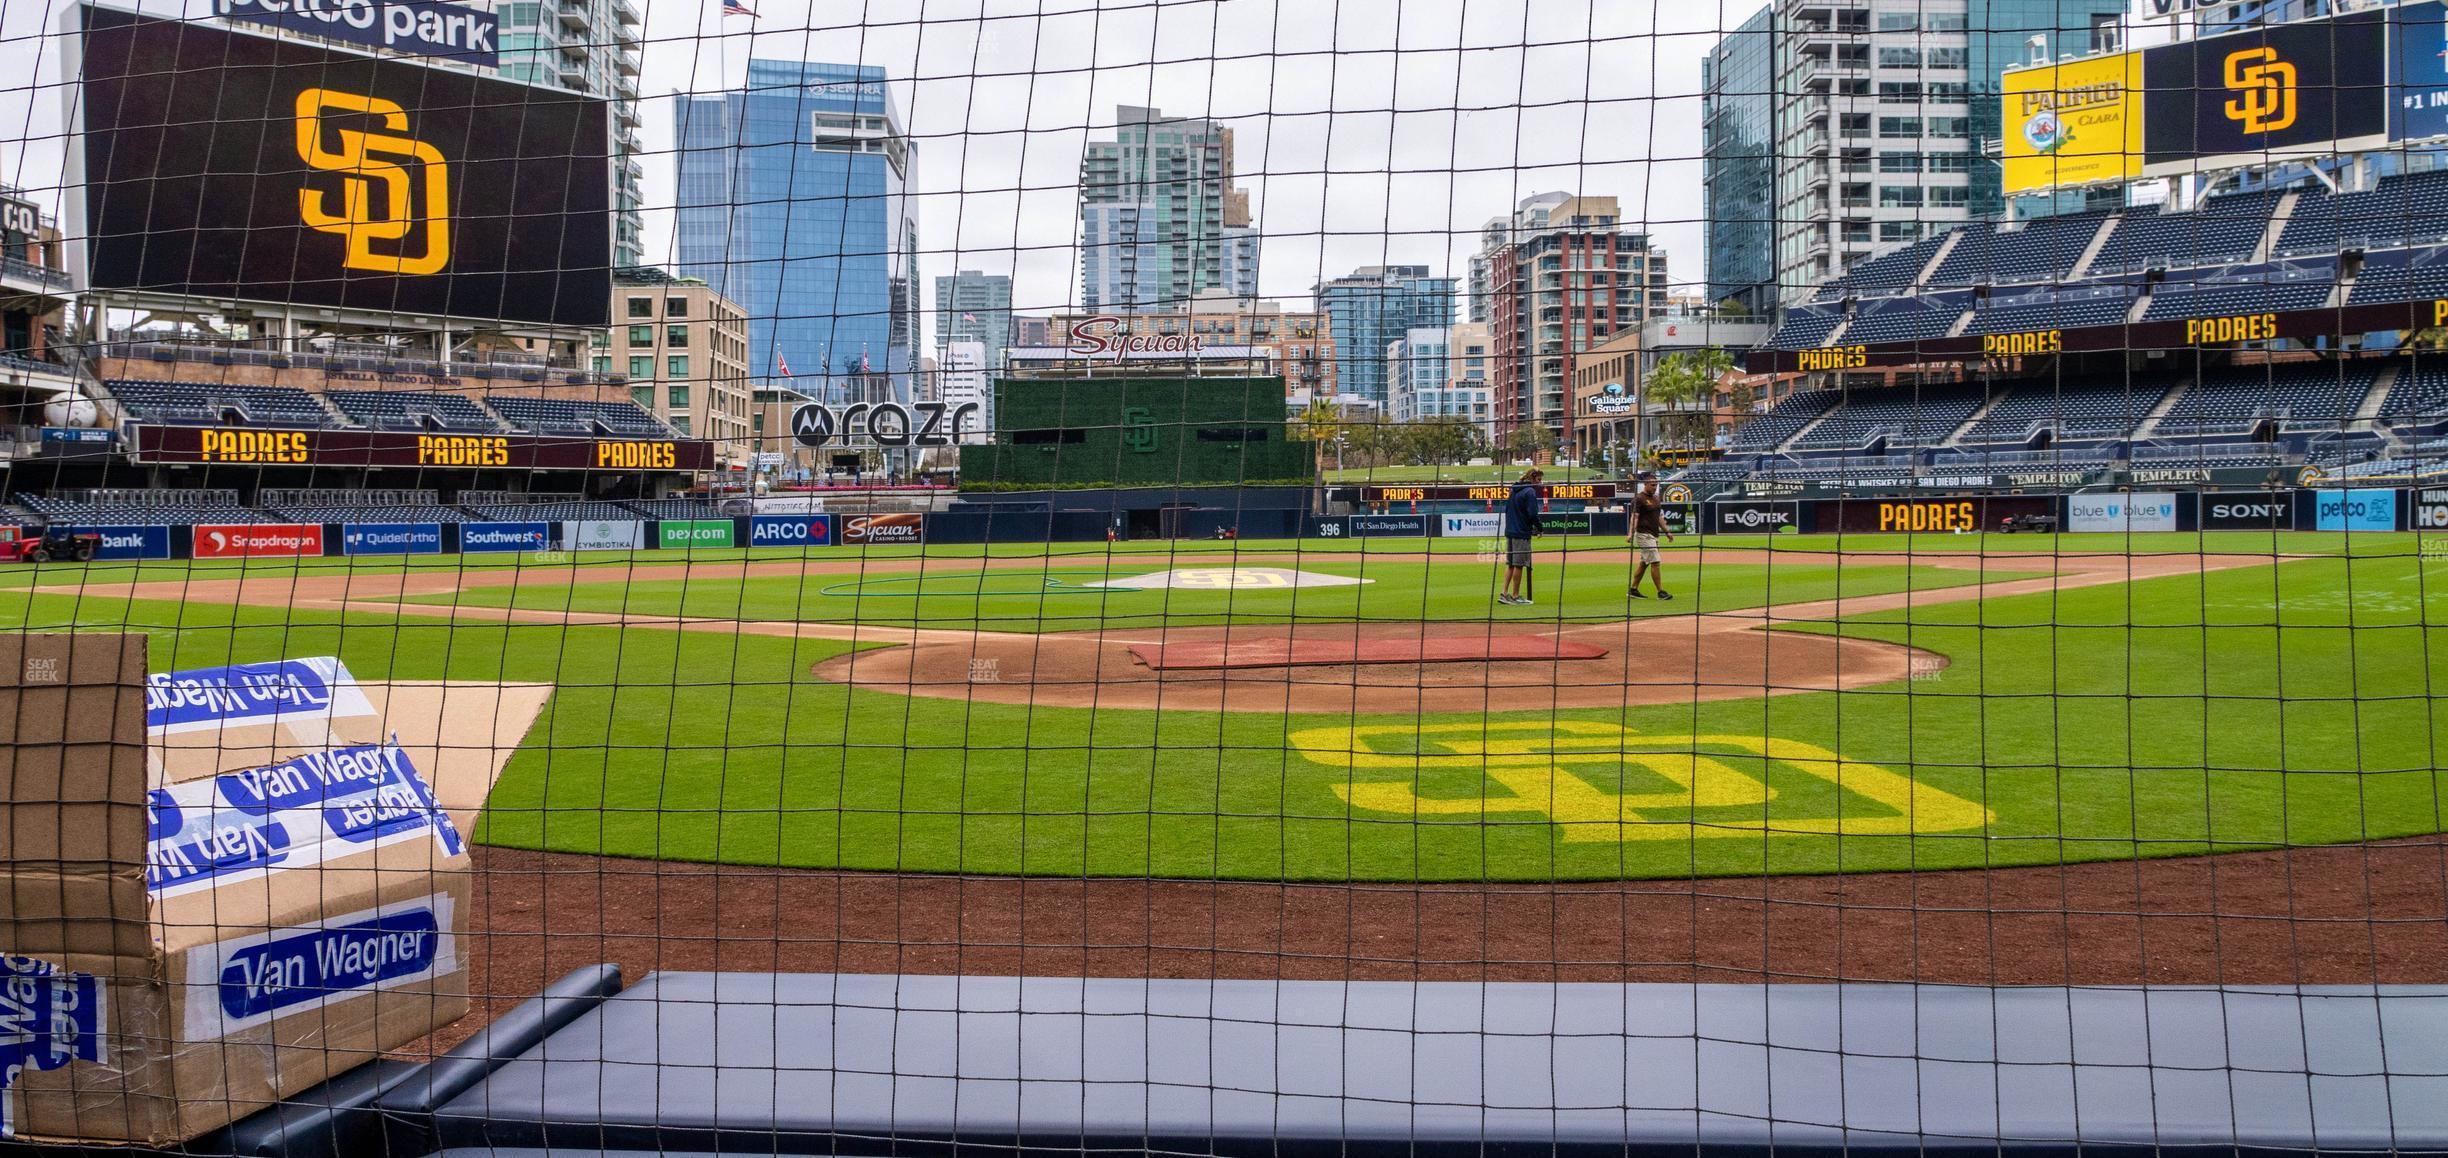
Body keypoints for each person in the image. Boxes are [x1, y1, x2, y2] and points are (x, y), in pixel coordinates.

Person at [1498, 468, 1543, 605]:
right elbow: (1532, 513)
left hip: (1510, 531)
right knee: (1519, 565)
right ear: (1533, 477)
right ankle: (1516, 596)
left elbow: (1507, 510)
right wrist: (1539, 528)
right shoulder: (1530, 492)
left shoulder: (1513, 490)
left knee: (1510, 564)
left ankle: (1504, 593)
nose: (1540, 483)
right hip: (1521, 532)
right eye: (1539, 480)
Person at [1627, 472, 1674, 600]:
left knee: (1644, 563)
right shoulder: (1639, 499)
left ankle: (1633, 589)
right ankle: (1660, 592)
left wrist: (1667, 532)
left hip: (1654, 535)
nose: (1655, 487)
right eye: (1652, 485)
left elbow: (1659, 517)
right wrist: (1630, 533)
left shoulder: (1656, 498)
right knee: (1655, 562)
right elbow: (1634, 517)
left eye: (1656, 485)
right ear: (1645, 484)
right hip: (1643, 534)